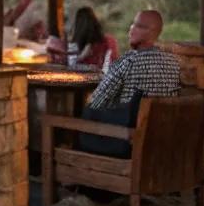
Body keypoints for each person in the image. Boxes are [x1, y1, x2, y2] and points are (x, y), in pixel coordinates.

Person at [77, 9, 180, 155]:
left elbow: (96, 101)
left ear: (151, 31)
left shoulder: (129, 61)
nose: (131, 29)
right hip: (159, 143)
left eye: (137, 25)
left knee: (87, 113)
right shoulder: (173, 62)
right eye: (132, 24)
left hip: (126, 145)